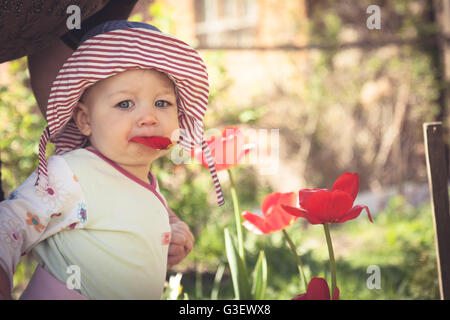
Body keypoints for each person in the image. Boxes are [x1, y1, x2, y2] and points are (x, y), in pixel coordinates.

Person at [0, 20, 224, 300]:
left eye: (162, 103)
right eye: (125, 104)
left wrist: (172, 237)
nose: (149, 117)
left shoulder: (147, 185)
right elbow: (8, 224)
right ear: (85, 120)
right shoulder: (70, 173)